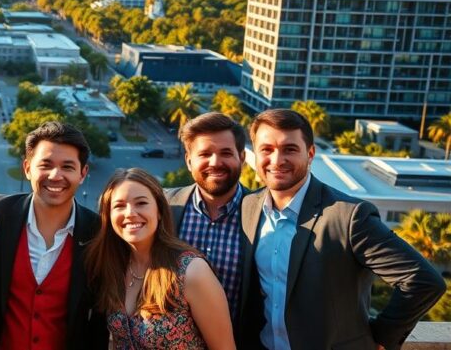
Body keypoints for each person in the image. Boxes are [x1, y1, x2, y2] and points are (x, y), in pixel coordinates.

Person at [240, 109, 446, 350]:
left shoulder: (350, 216)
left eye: (290, 149)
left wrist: (381, 338)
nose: (277, 160)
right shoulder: (249, 207)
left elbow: (423, 280)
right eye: (267, 149)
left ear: (310, 153)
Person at [0, 121, 107, 349]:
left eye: (68, 167)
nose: (55, 176)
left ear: (83, 173)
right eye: (46, 165)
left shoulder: (97, 232)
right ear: (27, 168)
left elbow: (98, 318)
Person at [87, 168, 235, 350]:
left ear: (159, 211)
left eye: (141, 203)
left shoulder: (191, 271)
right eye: (119, 206)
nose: (130, 213)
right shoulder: (112, 268)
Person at [165, 112, 247, 320]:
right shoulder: (165, 206)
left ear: (242, 157)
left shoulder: (264, 214)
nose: (215, 162)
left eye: (226, 153)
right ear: (189, 160)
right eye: (205, 154)